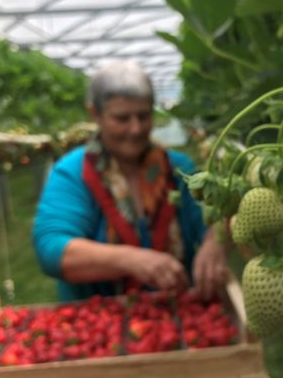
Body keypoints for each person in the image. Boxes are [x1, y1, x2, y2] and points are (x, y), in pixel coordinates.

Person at [32, 60, 228, 302]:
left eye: (144, 116)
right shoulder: (73, 173)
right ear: (96, 114)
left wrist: (214, 244)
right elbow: (52, 250)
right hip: (101, 325)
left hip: (177, 313)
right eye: (122, 118)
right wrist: (131, 259)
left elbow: (213, 221)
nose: (135, 128)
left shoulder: (179, 169)